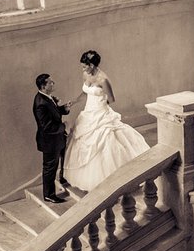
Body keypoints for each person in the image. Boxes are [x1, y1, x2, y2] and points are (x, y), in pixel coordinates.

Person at [63, 50, 150, 191]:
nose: (83, 69)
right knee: (83, 140)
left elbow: (111, 99)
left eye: (85, 66)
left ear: (91, 65)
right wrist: (74, 101)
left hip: (100, 112)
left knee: (107, 141)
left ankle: (115, 180)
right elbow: (85, 91)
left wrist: (101, 107)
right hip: (88, 112)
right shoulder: (85, 74)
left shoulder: (103, 79)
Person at [33, 74, 73, 203]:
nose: (53, 83)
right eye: (50, 82)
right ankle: (49, 195)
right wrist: (63, 126)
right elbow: (47, 126)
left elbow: (54, 114)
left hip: (57, 139)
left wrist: (64, 108)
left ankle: (62, 178)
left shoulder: (46, 98)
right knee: (50, 168)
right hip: (49, 141)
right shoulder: (41, 103)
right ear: (44, 86)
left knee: (62, 159)